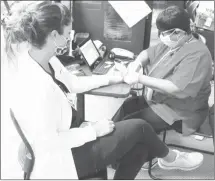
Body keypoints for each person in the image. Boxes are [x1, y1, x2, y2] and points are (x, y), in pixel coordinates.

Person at [2, 2, 204, 179]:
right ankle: (169, 158)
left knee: (140, 141)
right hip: (60, 157)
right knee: (140, 128)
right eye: (67, 34)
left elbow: (74, 83)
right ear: (54, 35)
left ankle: (154, 158)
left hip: (73, 132)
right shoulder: (35, 86)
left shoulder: (48, 59)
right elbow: (48, 143)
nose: (69, 40)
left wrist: (113, 77)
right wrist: (92, 131)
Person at [113, 6, 213, 137]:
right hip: (159, 100)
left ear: (178, 32)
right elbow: (147, 53)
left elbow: (175, 88)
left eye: (164, 33)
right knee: (125, 107)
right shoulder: (174, 43)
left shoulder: (197, 55)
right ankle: (107, 141)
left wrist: (139, 78)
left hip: (180, 112)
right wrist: (136, 63)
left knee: (129, 126)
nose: (162, 37)